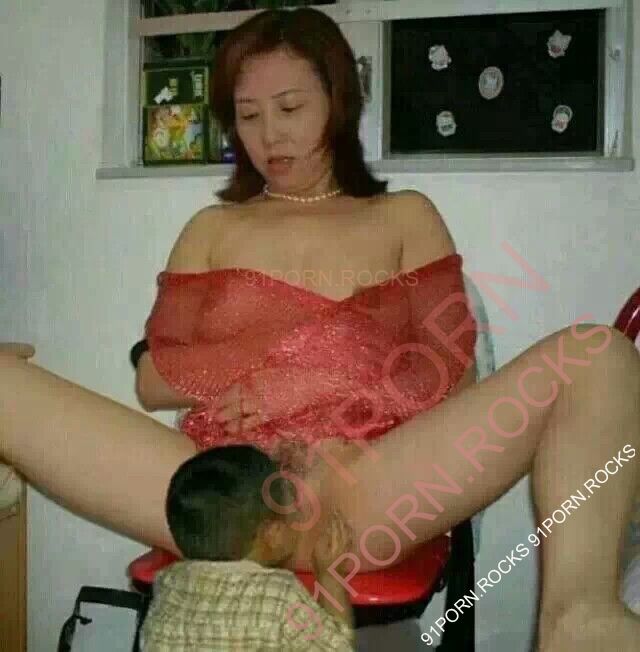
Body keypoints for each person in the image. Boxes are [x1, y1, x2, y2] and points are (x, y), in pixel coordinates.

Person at [0, 7, 639, 651]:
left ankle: (579, 617)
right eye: (248, 116)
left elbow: (452, 376)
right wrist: (295, 359)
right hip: (222, 494)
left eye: (289, 108)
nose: (269, 136)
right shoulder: (212, 228)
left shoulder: (404, 217)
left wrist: (304, 381)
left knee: (599, 356)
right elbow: (156, 379)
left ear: (338, 102)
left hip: (364, 485)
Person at [140, 444, 355, 651]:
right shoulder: (279, 596)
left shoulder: (167, 584)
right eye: (293, 509)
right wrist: (330, 577)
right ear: (273, 534)